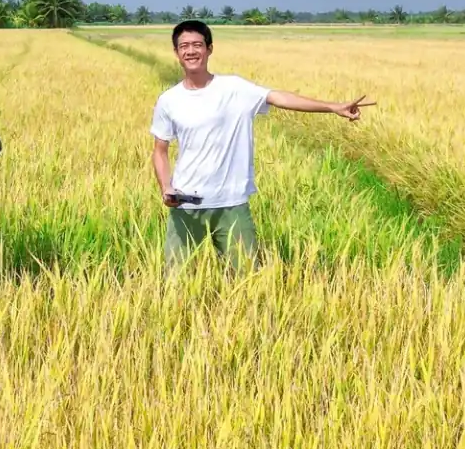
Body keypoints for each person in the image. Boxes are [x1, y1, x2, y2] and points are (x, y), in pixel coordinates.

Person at [150, 19, 372, 272]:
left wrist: (332, 107)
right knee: (175, 282)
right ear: (176, 52)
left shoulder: (234, 88)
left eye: (198, 45)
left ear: (210, 49)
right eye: (184, 46)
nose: (191, 51)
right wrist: (166, 187)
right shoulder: (169, 100)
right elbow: (160, 150)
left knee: (247, 280)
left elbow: (278, 97)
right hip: (186, 205)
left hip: (231, 203)